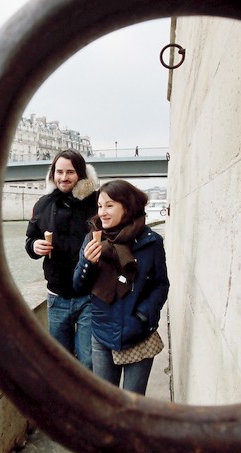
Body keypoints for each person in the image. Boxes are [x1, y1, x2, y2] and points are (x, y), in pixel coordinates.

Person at [73, 180, 169, 394]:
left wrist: (143, 316)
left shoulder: (151, 242)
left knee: (132, 401)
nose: (102, 213)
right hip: (102, 333)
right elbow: (78, 286)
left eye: (109, 205)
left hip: (138, 334)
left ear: (127, 207)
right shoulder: (92, 239)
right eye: (100, 206)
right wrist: (88, 263)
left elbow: (160, 285)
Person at [26, 149, 99, 370]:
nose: (63, 177)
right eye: (59, 172)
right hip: (57, 296)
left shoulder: (96, 202)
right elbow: (31, 238)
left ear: (81, 174)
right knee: (61, 361)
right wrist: (34, 246)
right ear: (52, 174)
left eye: (70, 172)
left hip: (90, 295)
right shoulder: (43, 204)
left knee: (88, 360)